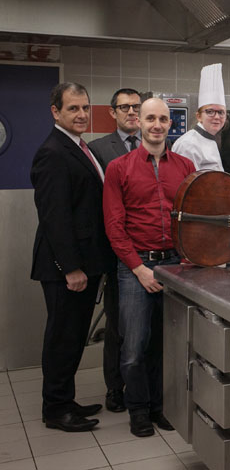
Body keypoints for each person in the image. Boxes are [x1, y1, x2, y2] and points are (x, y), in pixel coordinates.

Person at [103, 98, 196, 437]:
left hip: (175, 263)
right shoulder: (119, 168)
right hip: (135, 266)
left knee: (167, 343)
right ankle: (138, 409)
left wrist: (186, 259)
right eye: (150, 118)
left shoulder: (185, 166)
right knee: (134, 347)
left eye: (163, 119)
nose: (157, 125)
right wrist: (138, 268)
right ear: (137, 122)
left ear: (170, 125)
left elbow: (192, 220)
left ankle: (161, 407)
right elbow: (114, 226)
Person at [31, 82, 113, 432]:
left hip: (84, 262)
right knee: (63, 337)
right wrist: (72, 268)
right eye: (73, 109)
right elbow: (55, 217)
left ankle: (66, 400)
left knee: (73, 336)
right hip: (66, 266)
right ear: (56, 112)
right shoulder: (53, 151)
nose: (81, 114)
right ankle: (56, 409)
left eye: (84, 108)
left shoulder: (78, 146)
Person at [88, 88, 142, 414]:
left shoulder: (159, 149)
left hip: (151, 252)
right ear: (113, 112)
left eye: (136, 107)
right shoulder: (98, 149)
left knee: (144, 327)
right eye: (125, 107)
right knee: (118, 324)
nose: (131, 112)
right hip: (115, 252)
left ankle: (141, 386)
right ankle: (114, 388)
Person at [172, 63, 226, 171]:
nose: (217, 117)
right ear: (199, 116)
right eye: (210, 111)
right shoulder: (188, 144)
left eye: (221, 112)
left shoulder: (210, 139)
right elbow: (187, 184)